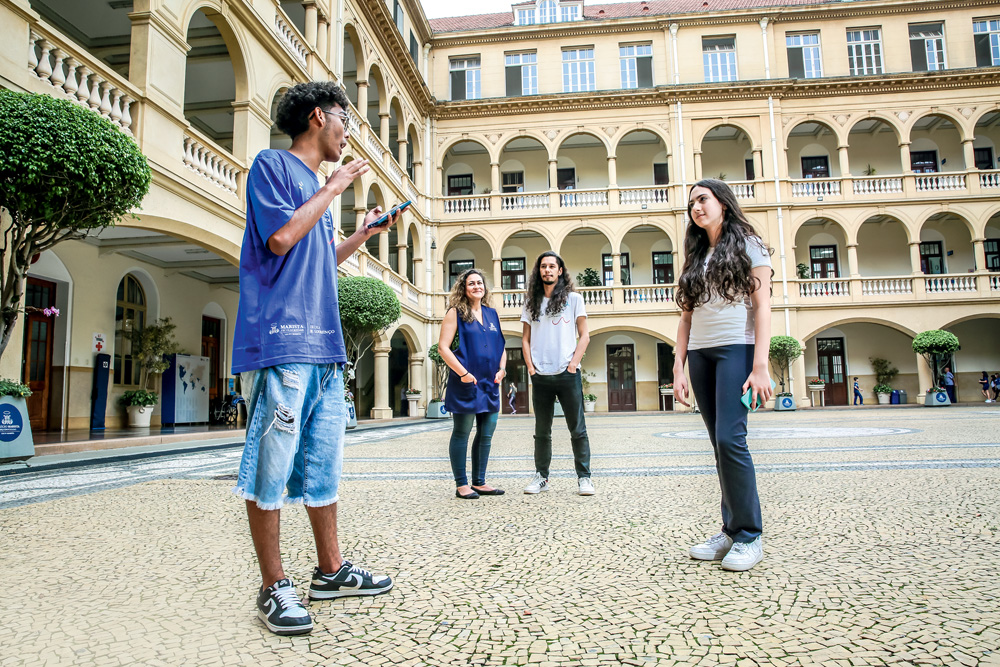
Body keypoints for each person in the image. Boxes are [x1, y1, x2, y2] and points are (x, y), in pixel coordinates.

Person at [231, 81, 400, 636]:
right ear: (317, 117)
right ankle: (272, 585)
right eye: (344, 121)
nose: (347, 132)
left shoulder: (316, 190)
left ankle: (329, 571)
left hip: (325, 347)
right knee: (272, 466)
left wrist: (363, 233)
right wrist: (332, 188)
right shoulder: (272, 166)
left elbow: (319, 253)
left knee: (323, 465)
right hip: (283, 341)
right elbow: (280, 240)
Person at [673, 178, 773, 572]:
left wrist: (760, 365)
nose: (696, 207)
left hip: (737, 348)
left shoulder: (750, 244)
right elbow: (686, 317)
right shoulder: (697, 254)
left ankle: (750, 535)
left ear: (723, 204)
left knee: (732, 440)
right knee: (719, 444)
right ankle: (731, 530)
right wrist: (678, 366)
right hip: (700, 354)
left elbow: (762, 307)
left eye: (703, 199)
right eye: (692, 203)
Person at [520, 251, 595, 496]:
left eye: (552, 266)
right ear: (538, 271)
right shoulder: (531, 301)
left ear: (560, 270)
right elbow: (525, 338)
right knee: (542, 431)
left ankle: (584, 478)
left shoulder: (574, 299)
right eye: (543, 266)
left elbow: (585, 335)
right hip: (540, 374)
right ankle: (541, 477)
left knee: (578, 429)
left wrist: (573, 364)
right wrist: (531, 368)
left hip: (567, 372)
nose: (547, 270)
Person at [438, 268, 507, 499]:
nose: (477, 286)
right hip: (467, 381)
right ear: (463, 288)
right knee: (462, 432)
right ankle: (462, 484)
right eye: (471, 283)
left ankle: (480, 481)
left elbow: (501, 347)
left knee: (486, 433)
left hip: (490, 383)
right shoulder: (455, 312)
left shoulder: (492, 314)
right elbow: (443, 348)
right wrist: (463, 373)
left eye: (480, 283)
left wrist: (502, 369)